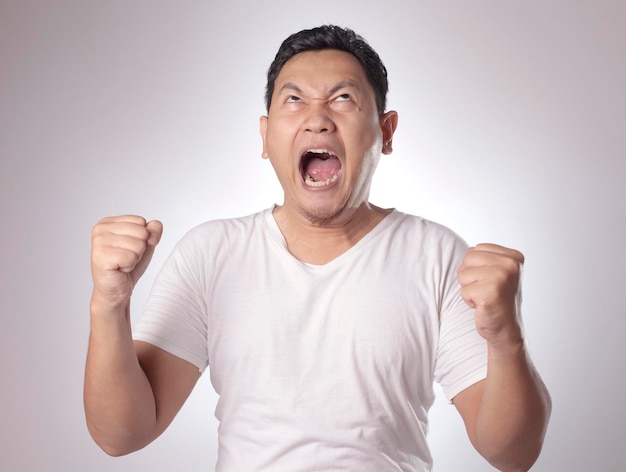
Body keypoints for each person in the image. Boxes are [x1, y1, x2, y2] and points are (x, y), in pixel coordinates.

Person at [84, 25, 551, 471]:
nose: (317, 119)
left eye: (343, 98)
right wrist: (109, 304)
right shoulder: (211, 253)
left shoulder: (438, 256)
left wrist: (506, 337)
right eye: (294, 100)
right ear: (265, 135)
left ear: (385, 131)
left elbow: (511, 455)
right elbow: (121, 435)